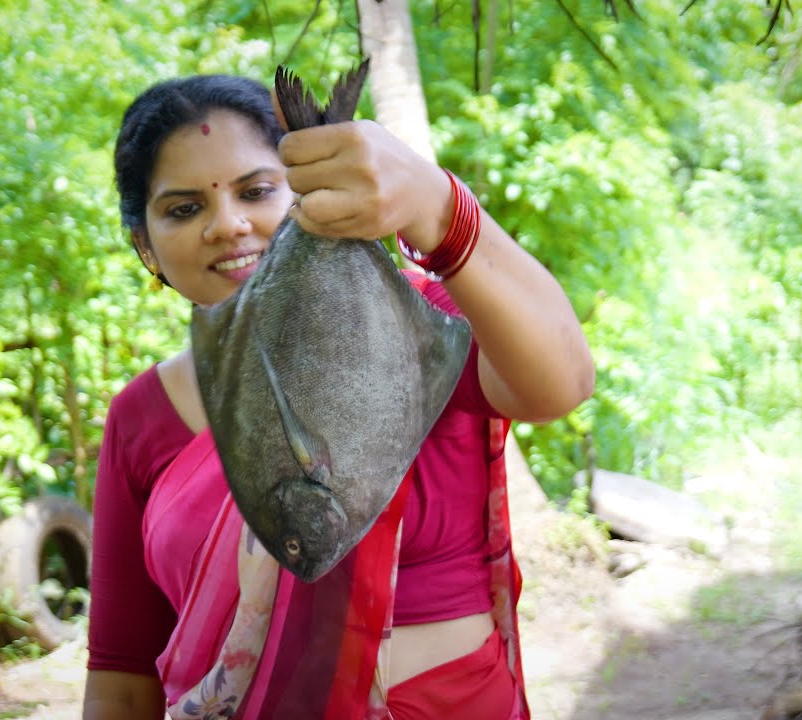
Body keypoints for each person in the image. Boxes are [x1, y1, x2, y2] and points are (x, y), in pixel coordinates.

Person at [82, 71, 594, 720]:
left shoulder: (415, 322)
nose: (229, 224)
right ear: (145, 246)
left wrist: (435, 204)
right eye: (184, 209)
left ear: (308, 190)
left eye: (256, 191)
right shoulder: (139, 417)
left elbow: (561, 384)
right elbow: (122, 680)